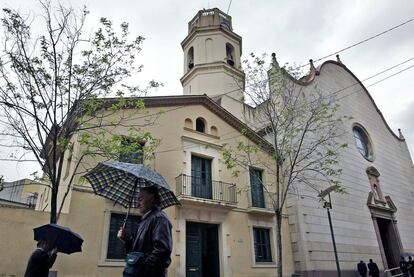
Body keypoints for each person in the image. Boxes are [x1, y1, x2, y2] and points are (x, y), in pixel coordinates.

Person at [118, 186, 172, 277]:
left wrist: (142, 269)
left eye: (140, 199)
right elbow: (135, 251)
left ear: (152, 199)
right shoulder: (143, 220)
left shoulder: (159, 218)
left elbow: (162, 251)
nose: (137, 204)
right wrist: (126, 239)